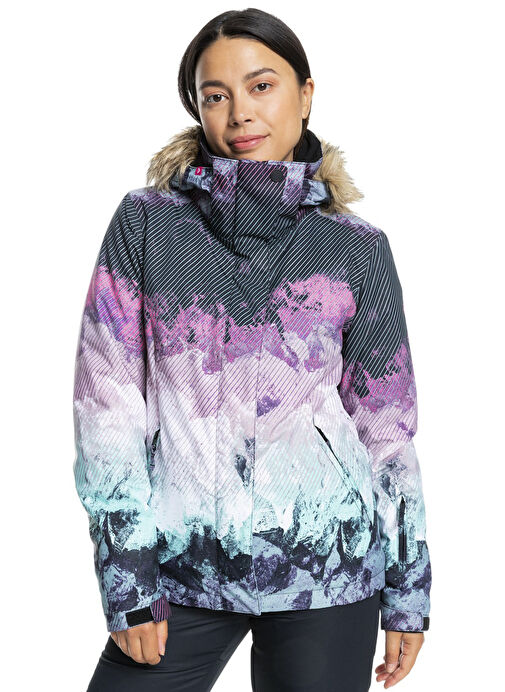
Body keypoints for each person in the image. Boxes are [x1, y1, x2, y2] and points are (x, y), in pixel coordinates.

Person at [73, 8, 432, 692]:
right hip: (177, 567)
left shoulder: (356, 248)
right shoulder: (146, 224)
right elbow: (106, 406)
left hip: (327, 571)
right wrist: (127, 576)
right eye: (215, 95)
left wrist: (407, 589)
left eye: (261, 86)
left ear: (305, 93)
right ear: (198, 110)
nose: (240, 112)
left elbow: (386, 430)